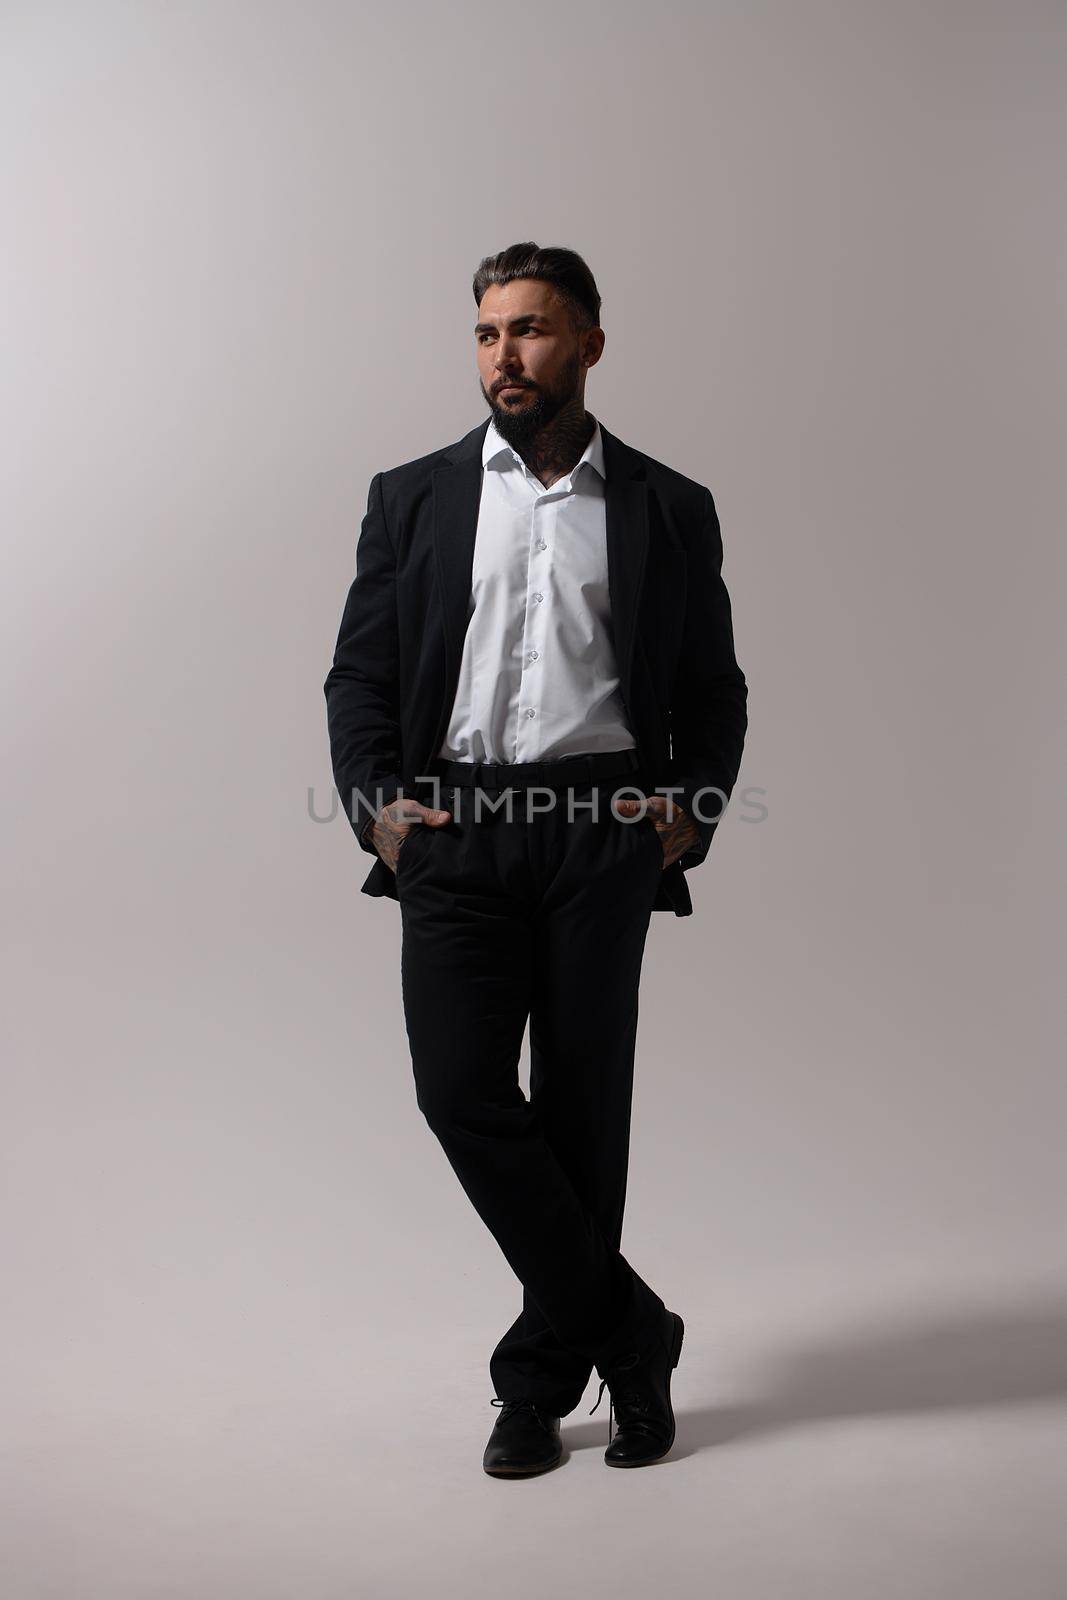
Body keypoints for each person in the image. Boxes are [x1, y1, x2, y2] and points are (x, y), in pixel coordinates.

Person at [324, 241, 748, 1476]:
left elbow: (709, 684)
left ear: (590, 345)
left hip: (597, 831)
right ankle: (631, 1332)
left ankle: (533, 1384)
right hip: (450, 832)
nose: (503, 355)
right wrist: (373, 807)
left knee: (578, 1113)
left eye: (531, 330)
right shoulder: (410, 495)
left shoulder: (666, 505)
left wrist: (692, 806)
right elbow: (359, 669)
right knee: (458, 1091)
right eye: (486, 332)